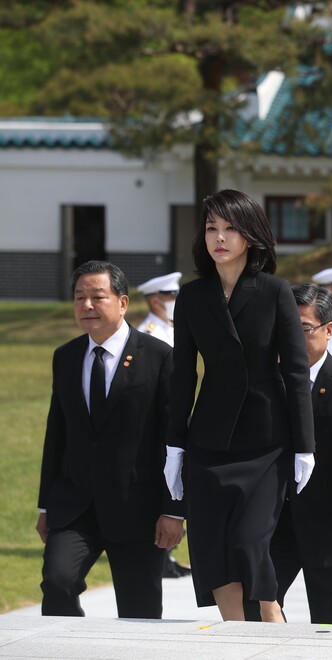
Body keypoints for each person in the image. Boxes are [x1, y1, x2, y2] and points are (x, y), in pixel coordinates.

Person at [162, 189, 316, 622]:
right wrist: (175, 445)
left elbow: (296, 371)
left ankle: (272, 627)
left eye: (230, 228)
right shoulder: (191, 297)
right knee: (212, 547)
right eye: (211, 227)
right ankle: (234, 638)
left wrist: (304, 445)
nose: (220, 237)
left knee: (250, 544)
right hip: (208, 441)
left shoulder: (274, 292)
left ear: (250, 236)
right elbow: (182, 375)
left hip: (266, 442)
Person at [37, 260, 184, 618]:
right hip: (76, 506)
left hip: (138, 508)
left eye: (97, 296)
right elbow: (57, 432)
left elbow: (174, 438)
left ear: (122, 302)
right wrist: (45, 505)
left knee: (139, 612)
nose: (87, 305)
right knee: (57, 583)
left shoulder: (161, 357)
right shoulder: (66, 357)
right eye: (79, 297)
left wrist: (173, 509)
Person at [242, 284, 332, 624]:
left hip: (331, 527)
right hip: (274, 524)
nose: (292, 336)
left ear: (329, 330)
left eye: (303, 328)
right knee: (255, 608)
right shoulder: (265, 382)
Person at [135, 271, 191, 579]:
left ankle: (168, 556)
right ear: (156, 300)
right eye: (171, 297)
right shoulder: (152, 332)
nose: (176, 302)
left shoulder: (169, 327)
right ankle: (163, 556)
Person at [136, 272, 180, 348]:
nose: (177, 302)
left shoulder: (171, 326)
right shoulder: (148, 334)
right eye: (172, 298)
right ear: (155, 302)